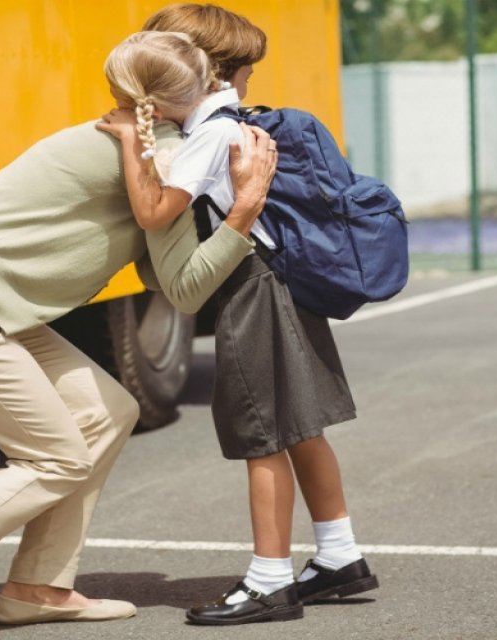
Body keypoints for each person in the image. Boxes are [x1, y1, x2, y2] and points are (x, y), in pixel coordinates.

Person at [0, 48, 280, 640]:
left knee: (108, 410)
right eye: (228, 79)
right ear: (201, 88)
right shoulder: (166, 157)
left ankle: (38, 588)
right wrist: (244, 212)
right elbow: (184, 290)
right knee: (53, 457)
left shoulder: (137, 143)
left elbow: (160, 270)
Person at [99, 4, 380, 626]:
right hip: (286, 284)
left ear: (199, 70)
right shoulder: (238, 122)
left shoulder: (210, 134)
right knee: (302, 428)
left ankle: (269, 581)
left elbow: (155, 213)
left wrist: (128, 140)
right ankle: (339, 556)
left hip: (252, 291)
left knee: (262, 438)